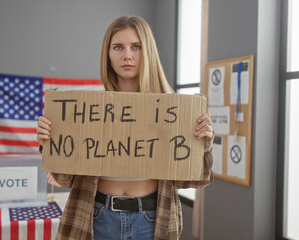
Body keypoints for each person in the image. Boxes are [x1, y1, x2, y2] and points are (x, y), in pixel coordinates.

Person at [37, 16, 214, 240]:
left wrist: (203, 144)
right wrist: (50, 142)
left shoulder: (176, 112)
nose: (127, 55)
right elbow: (64, 179)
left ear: (147, 51)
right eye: (118, 47)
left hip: (152, 220)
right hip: (94, 218)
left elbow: (195, 180)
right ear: (108, 54)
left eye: (136, 47)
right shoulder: (87, 111)